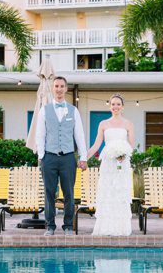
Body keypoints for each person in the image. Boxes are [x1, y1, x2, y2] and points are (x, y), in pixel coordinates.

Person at [35, 76, 89, 236]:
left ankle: (68, 226)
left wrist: (83, 157)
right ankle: (50, 226)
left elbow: (79, 135)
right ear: (53, 88)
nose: (59, 89)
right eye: (56, 86)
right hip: (49, 157)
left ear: (66, 89)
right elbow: (40, 134)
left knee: (69, 193)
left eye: (62, 86)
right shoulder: (45, 110)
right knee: (49, 192)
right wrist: (42, 155)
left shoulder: (74, 111)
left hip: (67, 158)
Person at [88, 94, 136, 236]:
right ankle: (106, 228)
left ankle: (121, 229)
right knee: (108, 193)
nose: (115, 107)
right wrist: (84, 157)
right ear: (109, 106)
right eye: (113, 104)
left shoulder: (128, 124)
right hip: (108, 164)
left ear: (122, 106)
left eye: (118, 104)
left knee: (120, 193)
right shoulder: (103, 124)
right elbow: (97, 144)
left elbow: (131, 145)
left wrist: (124, 154)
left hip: (122, 163)